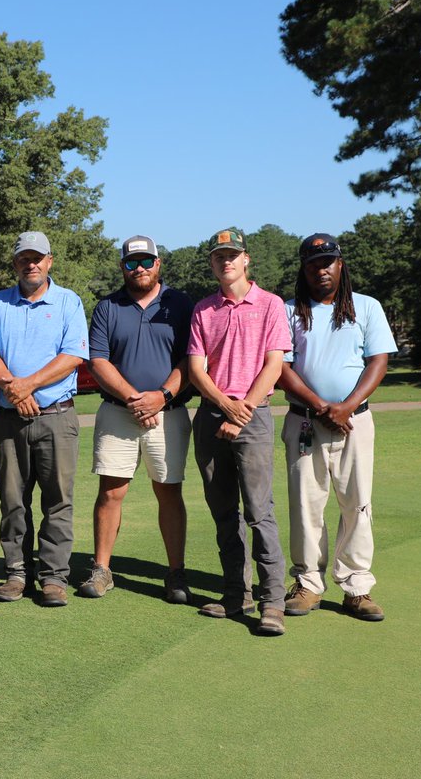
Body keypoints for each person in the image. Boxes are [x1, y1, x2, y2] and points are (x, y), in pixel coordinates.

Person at [278, 233, 397, 622]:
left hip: (354, 421)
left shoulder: (366, 306)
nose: (321, 270)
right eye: (313, 264)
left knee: (357, 503)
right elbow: (280, 367)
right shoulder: (288, 310)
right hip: (304, 420)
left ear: (340, 264)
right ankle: (308, 584)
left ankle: (356, 587)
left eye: (327, 262)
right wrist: (320, 406)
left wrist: (345, 408)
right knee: (305, 504)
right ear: (304, 269)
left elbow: (377, 361)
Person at [79, 235, 195, 604]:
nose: (139, 268)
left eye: (146, 261)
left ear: (158, 264)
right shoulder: (108, 307)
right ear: (122, 267)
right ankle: (102, 570)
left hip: (169, 412)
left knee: (168, 491)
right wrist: (135, 399)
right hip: (119, 412)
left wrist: (160, 397)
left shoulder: (180, 303)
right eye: (132, 263)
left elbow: (191, 360)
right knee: (111, 492)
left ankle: (175, 573)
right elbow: (98, 360)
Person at [187, 227, 291, 636]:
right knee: (223, 513)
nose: (226, 261)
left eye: (232, 255)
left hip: (254, 416)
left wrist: (241, 410)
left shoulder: (270, 304)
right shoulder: (204, 309)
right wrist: (223, 404)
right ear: (212, 263)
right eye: (219, 256)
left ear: (246, 259)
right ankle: (236, 595)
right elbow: (196, 370)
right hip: (211, 416)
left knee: (259, 512)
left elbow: (274, 365)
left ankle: (273, 602)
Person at [0, 231, 89, 607]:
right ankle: (16, 572)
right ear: (15, 263)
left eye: (37, 258)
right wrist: (14, 390)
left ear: (49, 261)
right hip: (9, 419)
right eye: (24, 259)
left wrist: (26, 386)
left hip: (56, 417)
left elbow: (73, 355)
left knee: (57, 500)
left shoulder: (68, 301)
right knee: (13, 501)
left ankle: (54, 576)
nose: (31, 264)